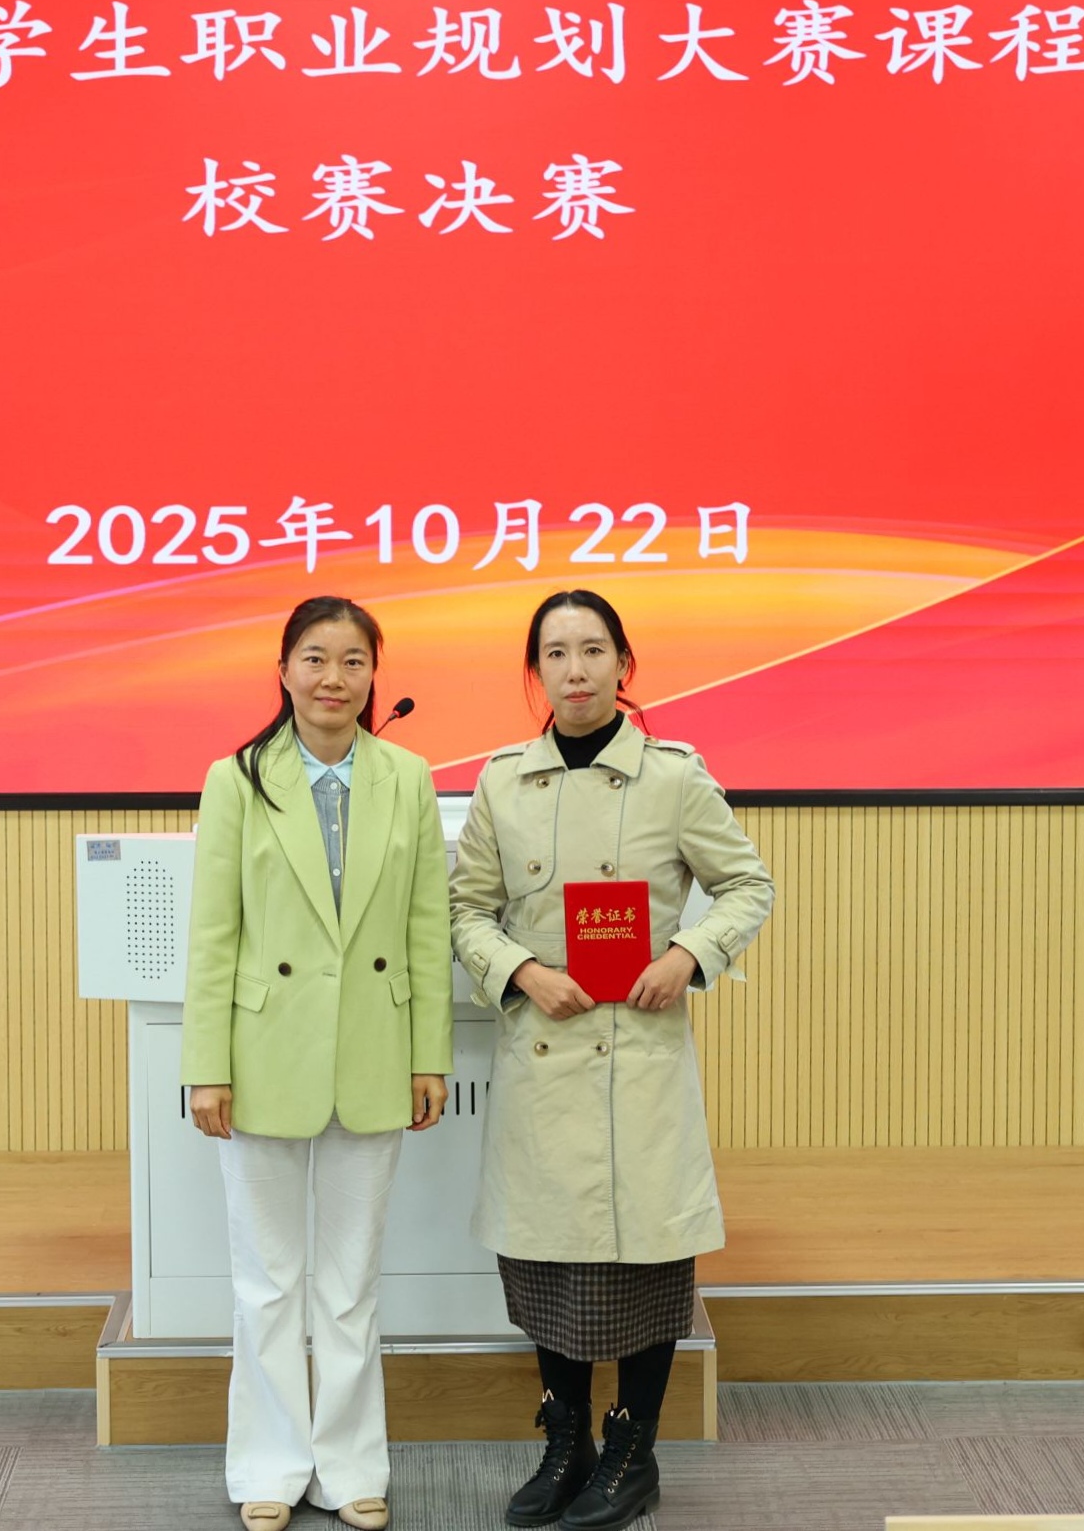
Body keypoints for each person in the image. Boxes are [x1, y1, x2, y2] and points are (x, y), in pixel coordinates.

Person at [450, 589, 775, 1531]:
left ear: (624, 664)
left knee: (646, 1259)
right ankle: (567, 1446)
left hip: (638, 1054)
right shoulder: (503, 783)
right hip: (544, 1053)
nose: (576, 669)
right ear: (536, 672)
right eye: (556, 653)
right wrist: (521, 972)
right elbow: (466, 910)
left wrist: (688, 955)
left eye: (593, 650)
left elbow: (746, 885)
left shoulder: (672, 777)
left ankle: (633, 1453)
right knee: (548, 1259)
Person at [182, 596, 456, 1531]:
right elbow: (212, 936)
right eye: (314, 658)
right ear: (284, 671)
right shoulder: (237, 779)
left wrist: (428, 1054)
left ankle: (348, 1468)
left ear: (374, 675)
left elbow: (425, 927)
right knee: (267, 1282)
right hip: (264, 1057)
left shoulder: (406, 777)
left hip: (375, 1051)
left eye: (352, 661)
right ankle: (267, 1467)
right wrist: (206, 1066)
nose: (333, 679)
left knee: (348, 1285)